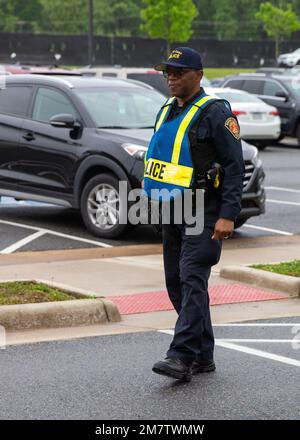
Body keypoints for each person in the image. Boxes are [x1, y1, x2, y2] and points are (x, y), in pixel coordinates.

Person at [143, 47, 244, 382]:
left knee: (192, 279)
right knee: (177, 284)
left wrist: (228, 214)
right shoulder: (166, 111)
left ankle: (181, 356)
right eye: (167, 72)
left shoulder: (216, 113)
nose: (171, 78)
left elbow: (234, 167)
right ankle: (203, 356)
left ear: (198, 75)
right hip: (172, 209)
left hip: (205, 210)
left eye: (178, 72)